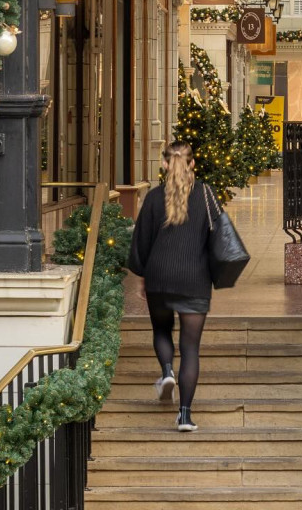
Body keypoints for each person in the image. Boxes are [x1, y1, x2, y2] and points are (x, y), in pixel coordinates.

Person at [127, 141, 214, 432]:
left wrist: (142, 275)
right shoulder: (206, 194)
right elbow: (218, 236)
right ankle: (185, 415)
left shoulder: (153, 198)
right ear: (193, 163)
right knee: (190, 348)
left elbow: (141, 242)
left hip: (159, 276)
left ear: (164, 164)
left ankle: (167, 372)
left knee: (162, 330)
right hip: (195, 279)